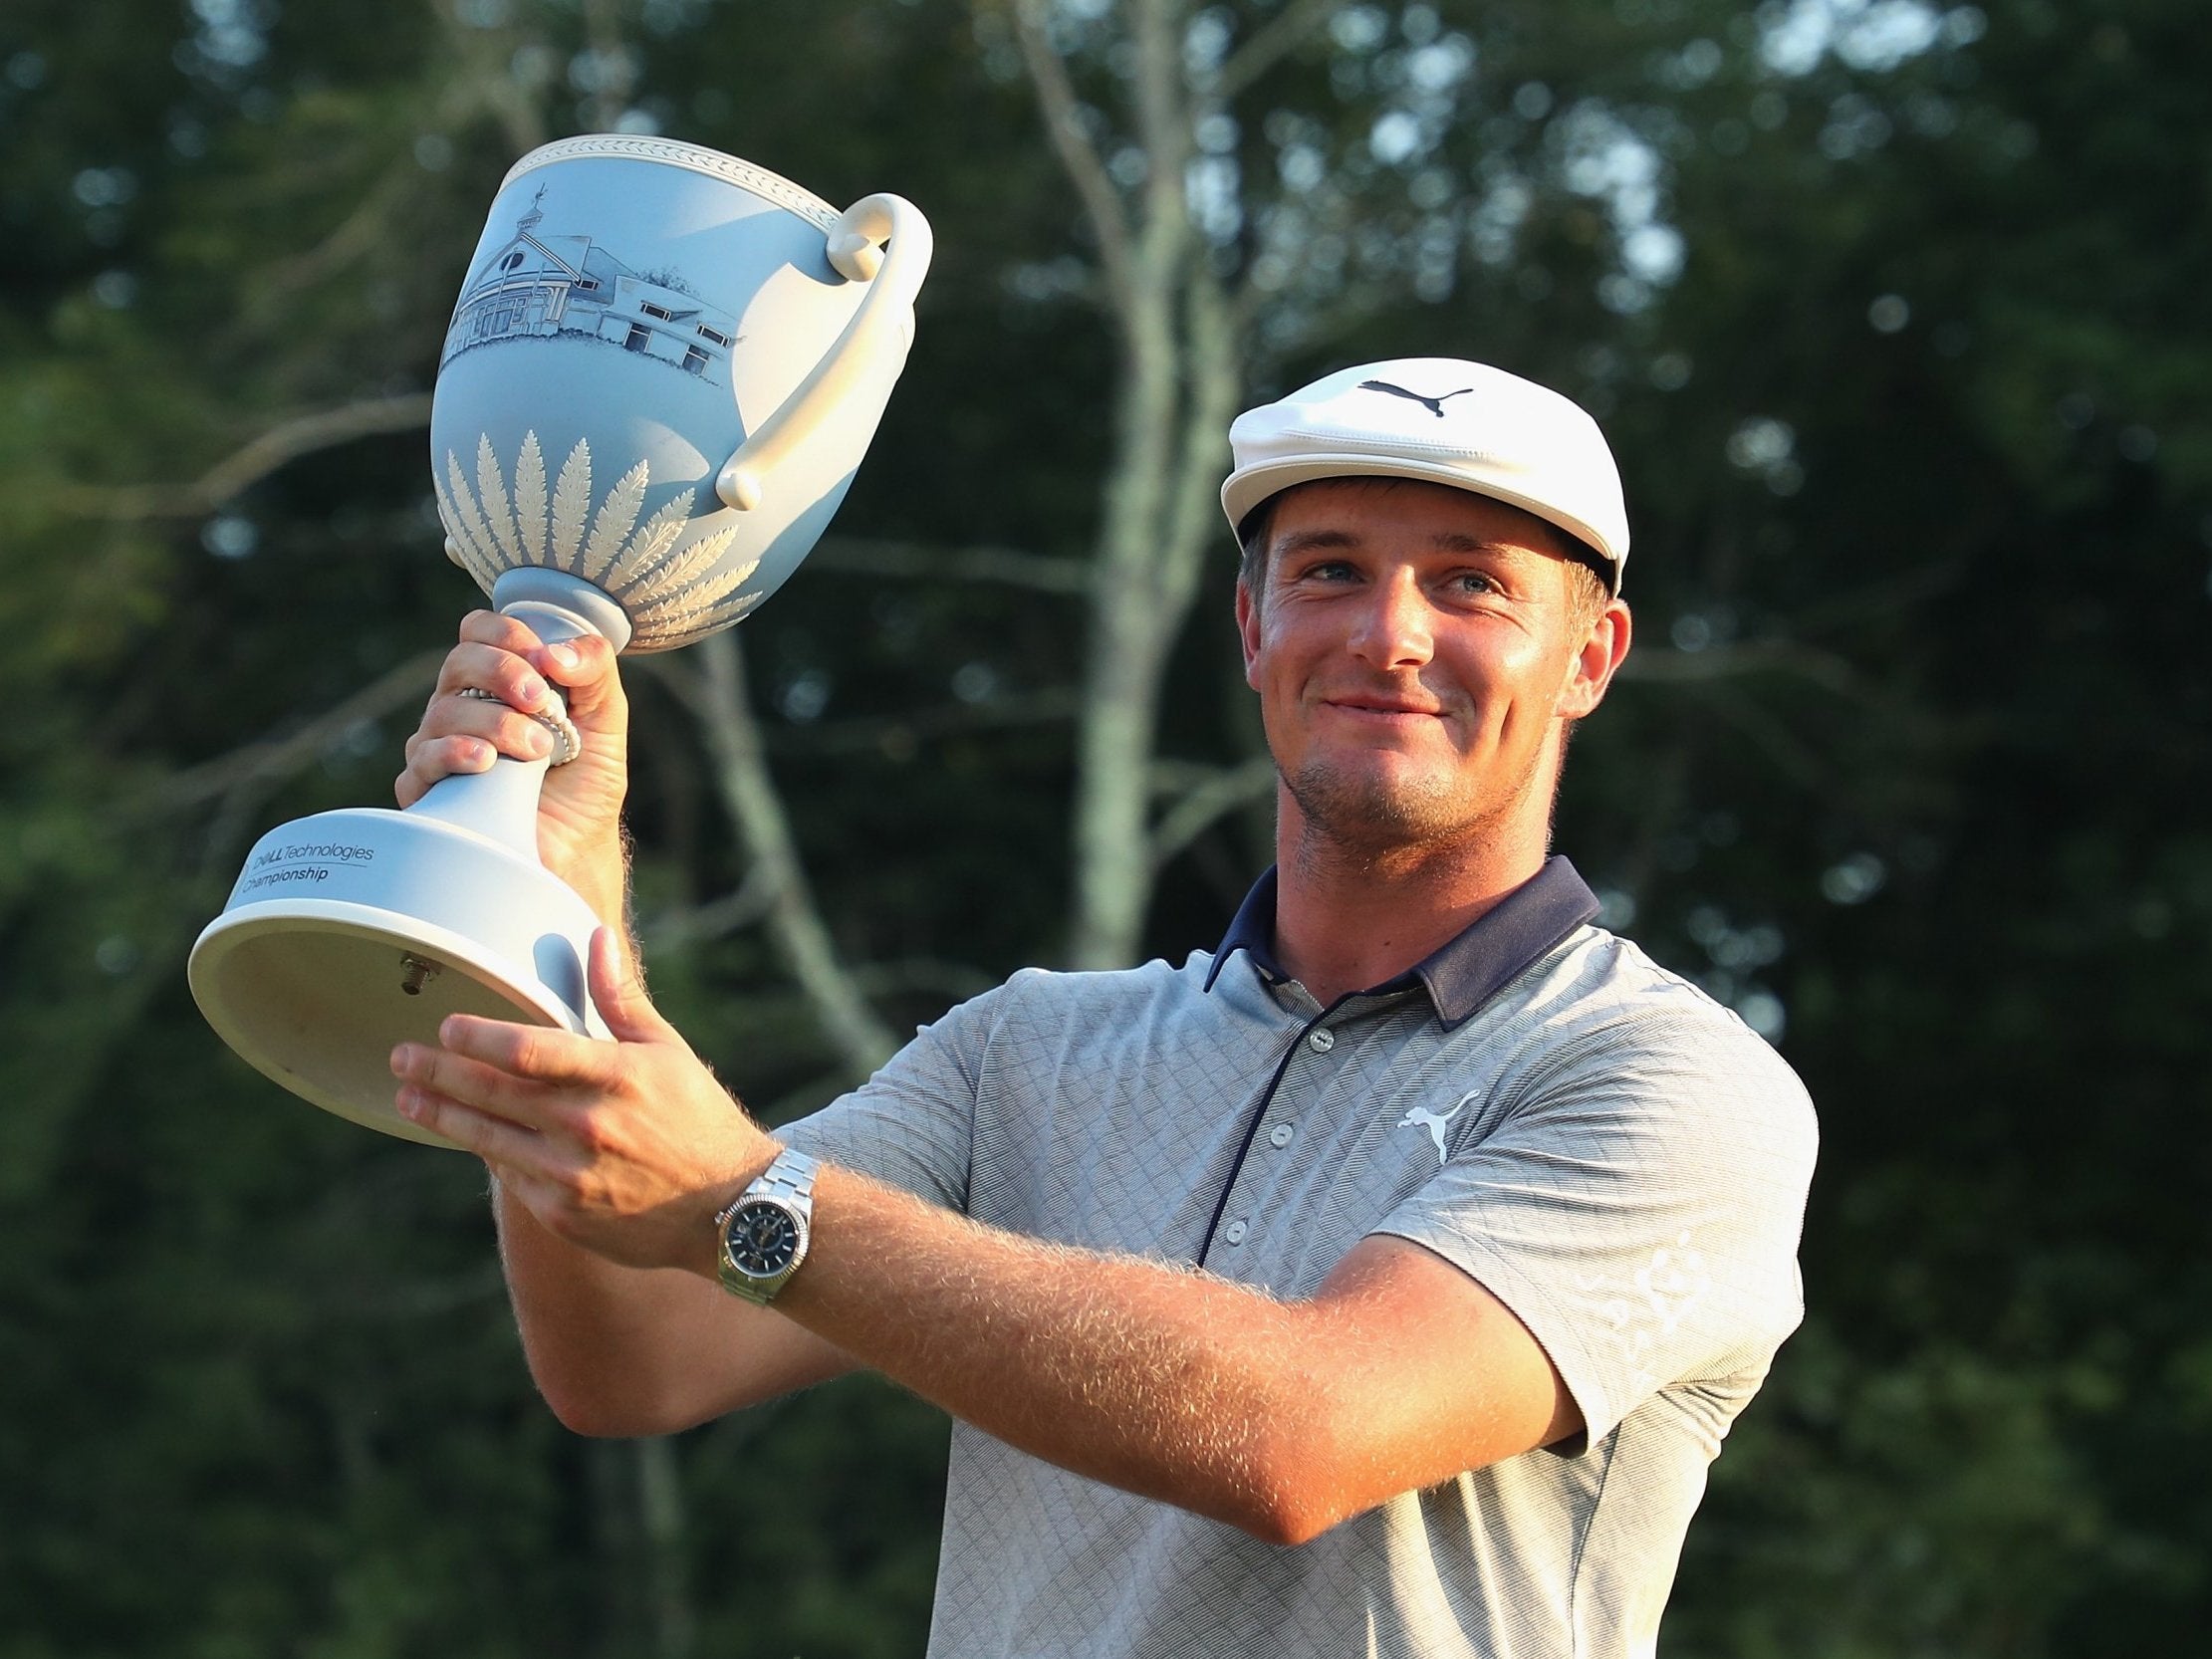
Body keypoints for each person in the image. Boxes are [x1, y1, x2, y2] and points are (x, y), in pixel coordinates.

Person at [390, 356, 1817, 1658]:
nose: (1387, 633)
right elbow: (639, 1354)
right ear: (1253, 622)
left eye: (1469, 585)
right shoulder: (1024, 1048)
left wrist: (749, 1197)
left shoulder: (1670, 1084)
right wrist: (551, 909)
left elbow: (1297, 1434)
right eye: (1328, 570)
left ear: (1588, 656)